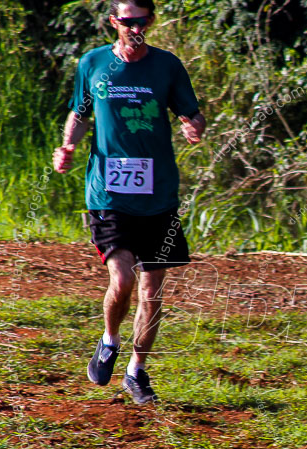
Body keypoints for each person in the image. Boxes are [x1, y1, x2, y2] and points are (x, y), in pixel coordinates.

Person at [52, 0, 206, 404]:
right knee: (122, 280)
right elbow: (80, 112)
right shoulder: (93, 63)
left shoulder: (167, 66)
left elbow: (193, 113)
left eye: (141, 21)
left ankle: (136, 371)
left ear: (150, 22)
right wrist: (69, 144)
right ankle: (109, 339)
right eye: (127, 21)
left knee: (152, 291)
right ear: (113, 23)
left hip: (158, 195)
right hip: (109, 192)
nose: (134, 27)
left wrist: (194, 127)